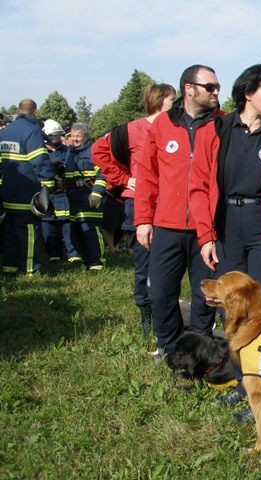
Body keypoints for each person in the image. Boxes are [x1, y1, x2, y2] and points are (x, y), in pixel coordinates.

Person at [189, 61, 261, 421]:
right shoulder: (218, 130)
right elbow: (200, 185)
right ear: (248, 94)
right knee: (233, 310)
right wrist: (206, 235)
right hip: (227, 223)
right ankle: (243, 385)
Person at [135, 65, 220, 361]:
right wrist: (144, 218)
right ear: (189, 88)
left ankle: (199, 348)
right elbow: (146, 174)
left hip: (206, 228)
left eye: (217, 86)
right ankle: (169, 346)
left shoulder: (222, 124)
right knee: (159, 292)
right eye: (210, 87)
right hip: (167, 226)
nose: (216, 92)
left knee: (204, 295)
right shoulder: (162, 125)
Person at [92, 83, 176, 335]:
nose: (177, 103)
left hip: (170, 203)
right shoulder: (132, 129)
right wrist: (122, 177)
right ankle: (146, 314)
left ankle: (169, 312)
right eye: (173, 99)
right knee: (145, 261)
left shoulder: (176, 127)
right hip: (139, 202)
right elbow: (98, 150)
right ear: (160, 101)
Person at [0, 99, 55, 275]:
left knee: (10, 233)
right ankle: (31, 269)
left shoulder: (5, 131)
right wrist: (48, 183)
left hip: (7, 191)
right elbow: (39, 160)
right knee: (29, 233)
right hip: (27, 191)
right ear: (35, 112)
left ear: (17, 110)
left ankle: (9, 267)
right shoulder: (32, 131)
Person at [65, 122, 107, 271]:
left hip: (89, 196)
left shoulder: (93, 151)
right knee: (76, 230)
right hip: (73, 198)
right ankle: (84, 260)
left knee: (90, 229)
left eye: (78, 136)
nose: (75, 139)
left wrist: (97, 192)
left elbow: (104, 172)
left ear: (86, 137)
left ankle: (97, 262)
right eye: (73, 136)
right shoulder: (69, 153)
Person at [40, 119, 81, 263]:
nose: (56, 138)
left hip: (64, 194)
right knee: (48, 225)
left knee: (67, 225)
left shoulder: (67, 151)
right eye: (53, 135)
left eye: (58, 135)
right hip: (47, 194)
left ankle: (72, 254)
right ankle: (54, 254)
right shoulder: (40, 152)